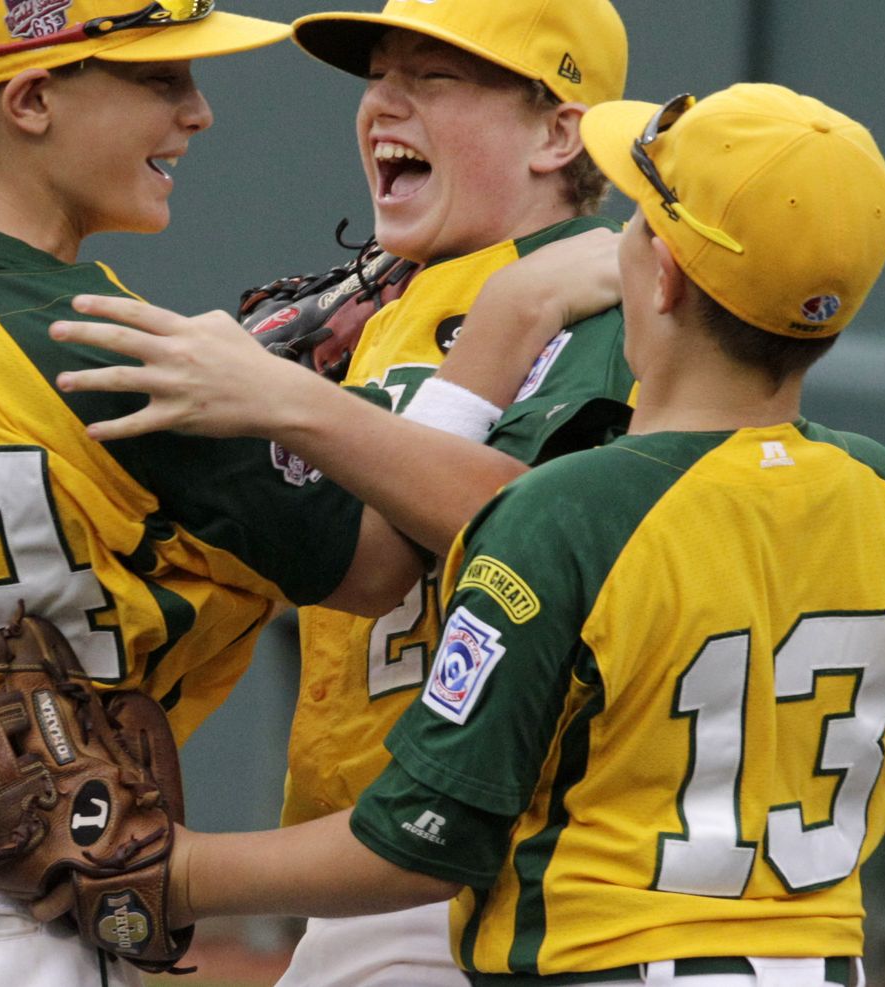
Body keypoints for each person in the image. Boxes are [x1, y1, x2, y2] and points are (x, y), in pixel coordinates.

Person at [57, 81, 885, 986]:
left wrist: (181, 869)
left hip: (605, 962)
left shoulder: (567, 511)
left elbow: (420, 839)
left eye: (633, 222)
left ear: (660, 275)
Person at [0, 3, 429, 985]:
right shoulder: (132, 365)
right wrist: (304, 407)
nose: (198, 112)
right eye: (160, 79)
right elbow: (379, 568)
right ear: (29, 98)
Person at [56, 1, 634, 981]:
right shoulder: (379, 312)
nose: (383, 103)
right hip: (375, 853)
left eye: (435, 78)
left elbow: (546, 546)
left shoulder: (595, 304)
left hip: (520, 862)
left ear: (557, 130)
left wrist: (286, 403)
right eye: (378, 75)